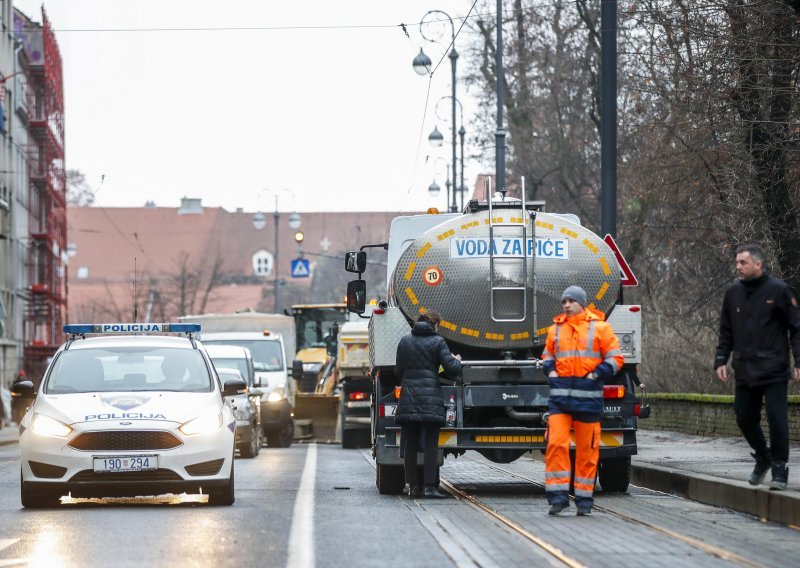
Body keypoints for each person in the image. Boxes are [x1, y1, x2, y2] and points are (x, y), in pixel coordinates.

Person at [714, 243, 800, 491]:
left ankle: (780, 468)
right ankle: (763, 455)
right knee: (743, 417)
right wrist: (721, 360)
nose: (738, 267)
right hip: (744, 368)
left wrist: (798, 361)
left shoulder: (780, 291)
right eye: (737, 262)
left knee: (777, 419)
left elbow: (796, 328)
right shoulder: (733, 294)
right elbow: (726, 331)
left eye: (743, 263)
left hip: (774, 368)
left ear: (758, 264)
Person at [542, 286, 623, 515]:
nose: (566, 305)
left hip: (588, 401)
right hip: (560, 400)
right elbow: (547, 355)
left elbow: (616, 358)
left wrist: (596, 374)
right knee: (556, 445)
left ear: (582, 303)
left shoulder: (601, 328)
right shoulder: (555, 330)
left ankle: (584, 501)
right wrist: (550, 371)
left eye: (570, 301)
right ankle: (557, 498)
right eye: (563, 301)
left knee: (587, 451)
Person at [394, 310, 462, 499]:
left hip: (409, 396)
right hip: (431, 397)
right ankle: (430, 487)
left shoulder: (405, 341)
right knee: (431, 443)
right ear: (435, 325)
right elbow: (452, 368)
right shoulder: (438, 341)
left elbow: (398, 372)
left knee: (411, 442)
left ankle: (413, 488)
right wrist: (457, 360)